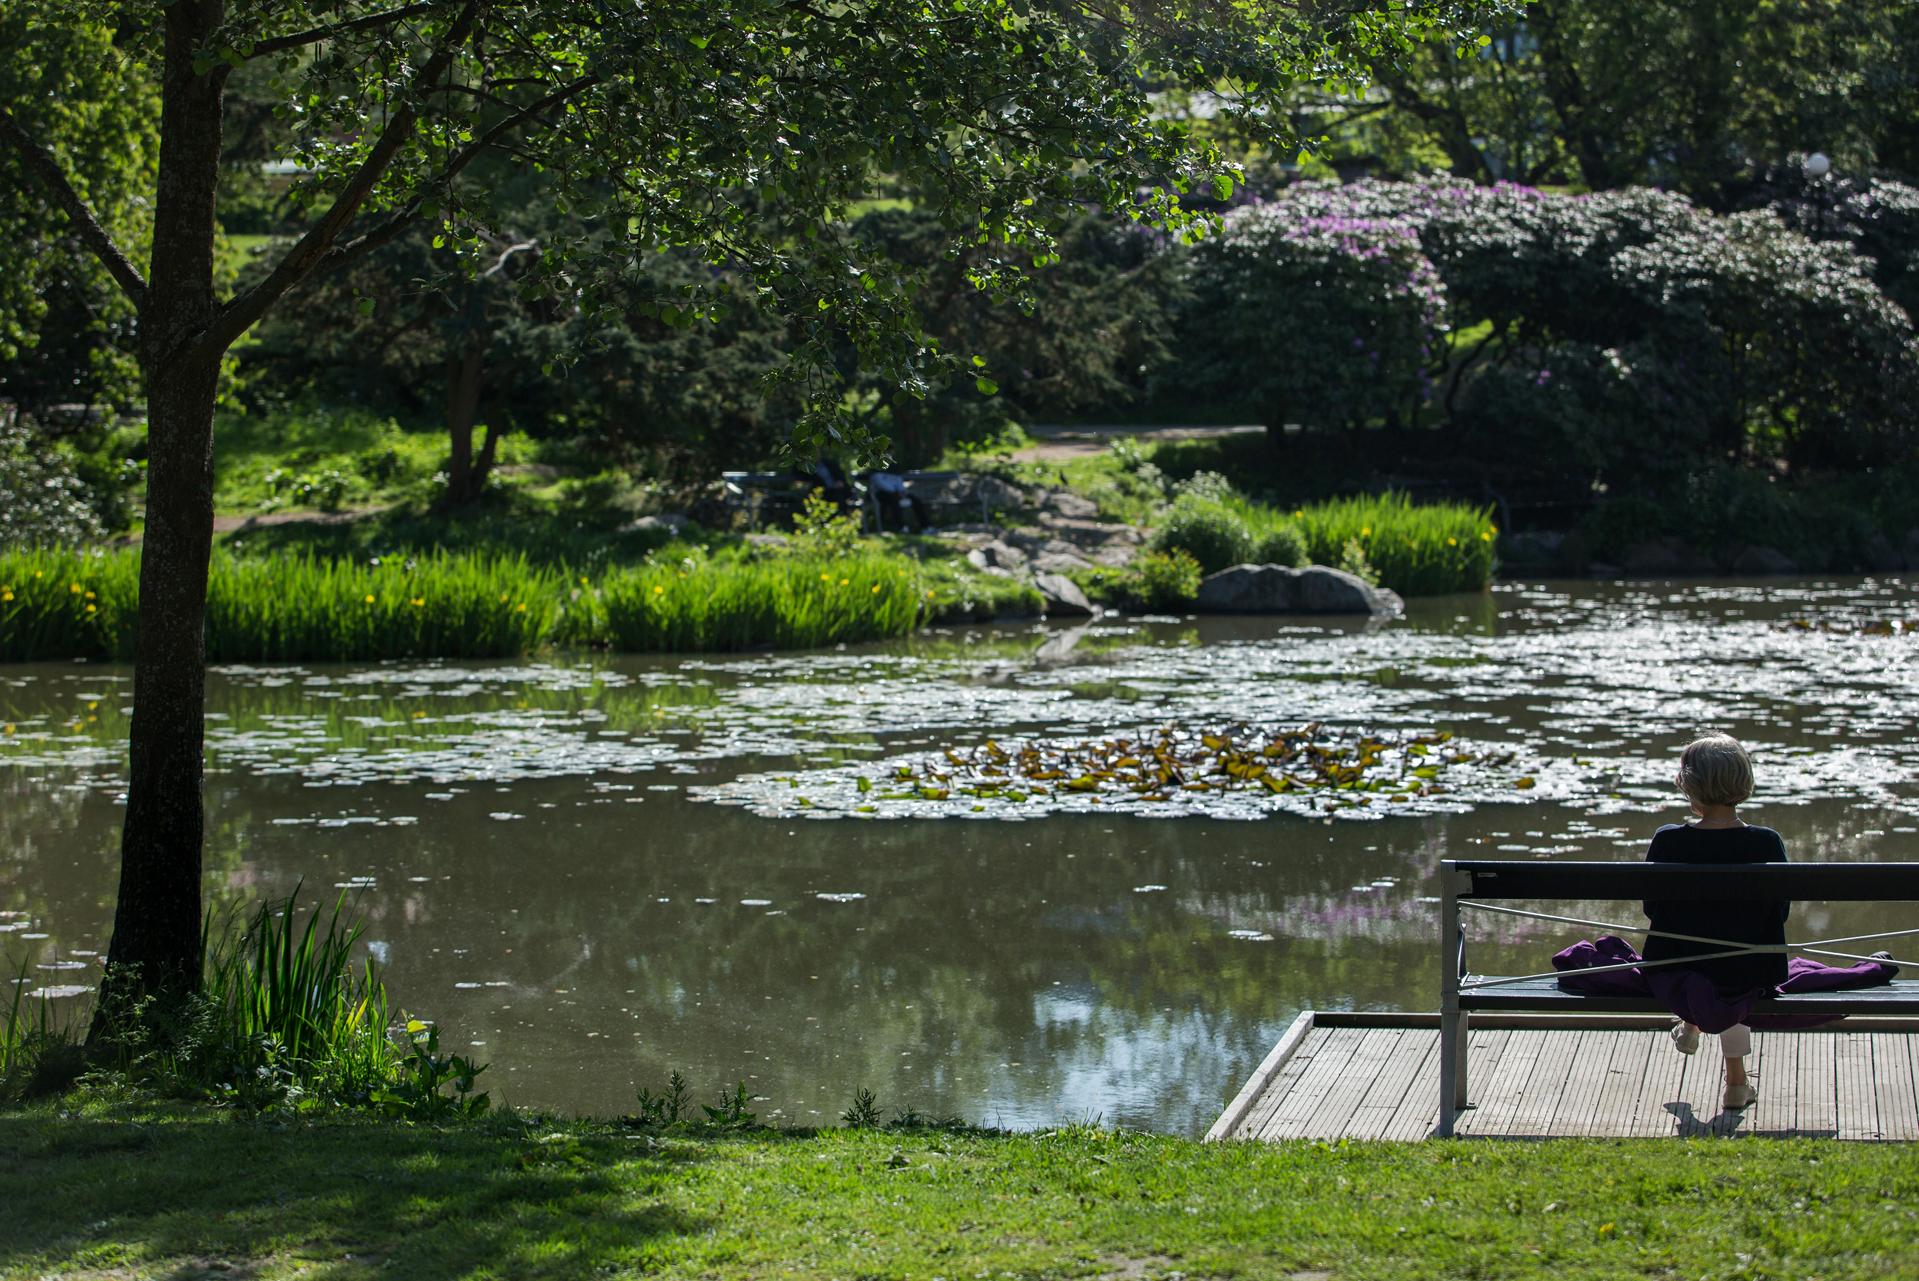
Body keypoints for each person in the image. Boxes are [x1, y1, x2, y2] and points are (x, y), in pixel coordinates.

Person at [1642, 734, 1786, 1112]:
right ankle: (1735, 1082)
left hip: (1675, 968)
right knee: (1732, 966)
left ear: (1690, 784)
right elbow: (1779, 913)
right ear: (1744, 779)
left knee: (1709, 965)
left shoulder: (1668, 841)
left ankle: (1693, 1024)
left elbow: (1652, 909)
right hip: (1748, 970)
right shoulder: (1767, 843)